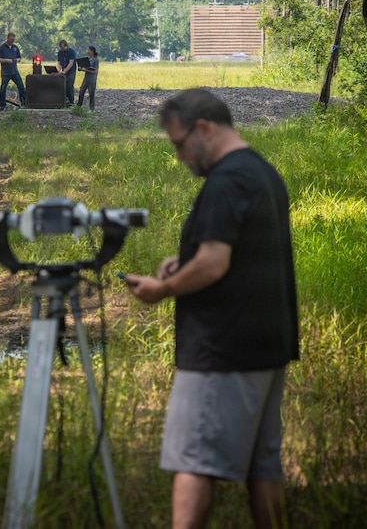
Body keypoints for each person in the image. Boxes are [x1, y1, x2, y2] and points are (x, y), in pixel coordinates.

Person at [124, 88, 299, 529]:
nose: (180, 157)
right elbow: (243, 252)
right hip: (266, 344)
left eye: (180, 144)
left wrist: (163, 289)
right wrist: (185, 263)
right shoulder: (261, 172)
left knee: (195, 461)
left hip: (223, 349)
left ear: (203, 128)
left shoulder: (226, 181)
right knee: (264, 466)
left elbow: (214, 263)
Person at [0, 32, 26, 111]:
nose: (12, 41)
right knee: (3, 88)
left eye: (14, 39)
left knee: (21, 86)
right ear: (8, 38)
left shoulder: (15, 48)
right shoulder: (2, 48)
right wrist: (7, 60)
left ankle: (24, 103)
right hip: (6, 72)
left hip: (14, 71)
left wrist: (16, 60)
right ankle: (2, 105)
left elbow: (19, 58)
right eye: (11, 39)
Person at [76, 45, 99, 111]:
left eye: (88, 50)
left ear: (92, 51)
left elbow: (95, 71)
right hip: (86, 78)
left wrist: (86, 70)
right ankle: (78, 106)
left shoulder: (95, 60)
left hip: (92, 79)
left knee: (91, 93)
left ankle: (92, 109)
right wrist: (81, 68)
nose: (87, 51)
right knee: (81, 91)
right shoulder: (88, 59)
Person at [56, 39, 76, 106]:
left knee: (69, 86)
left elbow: (71, 63)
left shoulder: (71, 52)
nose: (61, 49)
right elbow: (59, 63)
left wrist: (64, 71)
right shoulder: (60, 52)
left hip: (70, 71)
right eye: (60, 48)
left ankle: (71, 102)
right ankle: (63, 101)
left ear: (66, 46)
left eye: (62, 47)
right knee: (63, 86)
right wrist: (58, 70)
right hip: (63, 71)